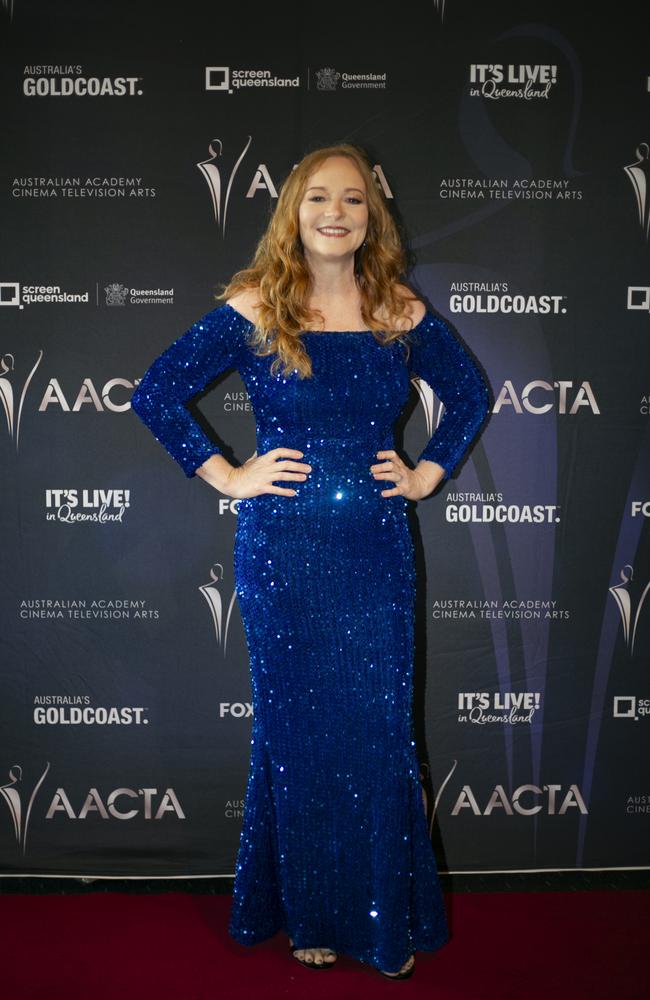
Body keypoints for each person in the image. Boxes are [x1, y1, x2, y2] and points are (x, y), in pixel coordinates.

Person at [131, 142, 490, 980]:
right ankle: (310, 916)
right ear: (292, 210)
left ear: (374, 216)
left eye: (355, 199)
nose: (337, 211)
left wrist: (427, 471)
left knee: (375, 734)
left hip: (374, 551)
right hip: (282, 554)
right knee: (296, 740)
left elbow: (469, 393)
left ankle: (382, 920)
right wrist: (228, 475)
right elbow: (155, 391)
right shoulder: (258, 305)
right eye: (319, 196)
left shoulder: (398, 308)